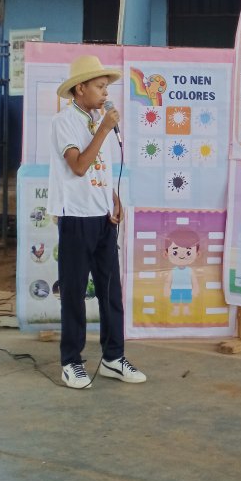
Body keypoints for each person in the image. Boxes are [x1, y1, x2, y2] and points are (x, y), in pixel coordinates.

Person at [48, 53, 146, 390]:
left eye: (106, 87)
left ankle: (113, 358)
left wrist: (115, 199)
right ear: (79, 89)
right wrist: (104, 129)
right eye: (99, 87)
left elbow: (101, 170)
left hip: (104, 216)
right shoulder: (65, 122)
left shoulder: (94, 120)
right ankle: (71, 361)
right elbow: (79, 165)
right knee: (74, 291)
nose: (106, 93)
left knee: (109, 290)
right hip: (76, 217)